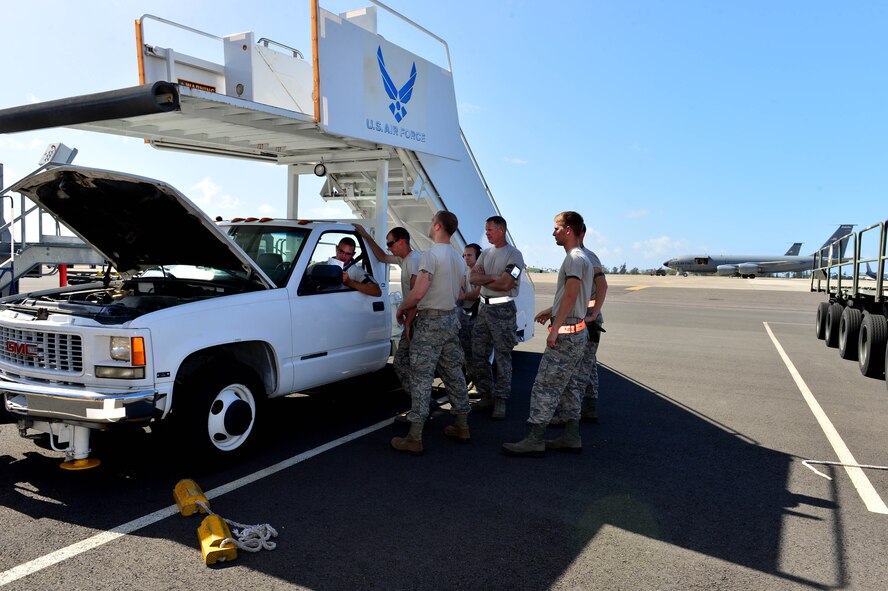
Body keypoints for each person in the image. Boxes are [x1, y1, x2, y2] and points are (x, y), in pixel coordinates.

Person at [502, 211, 594, 457]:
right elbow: (570, 297)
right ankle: (571, 436)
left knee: (545, 386)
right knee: (570, 386)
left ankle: (535, 439)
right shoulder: (582, 257)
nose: (552, 232)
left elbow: (572, 295)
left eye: (556, 228)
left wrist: (555, 328)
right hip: (578, 331)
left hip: (567, 333)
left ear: (568, 230)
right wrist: (551, 311)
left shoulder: (574, 259)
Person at [391, 211, 471, 455]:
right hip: (449, 320)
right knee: (453, 372)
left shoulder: (430, 255)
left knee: (421, 376)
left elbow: (417, 293)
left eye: (431, 222)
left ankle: (414, 436)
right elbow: (461, 293)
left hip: (430, 323)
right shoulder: (458, 258)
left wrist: (403, 308)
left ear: (437, 226)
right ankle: (462, 425)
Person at [550, 224, 608, 425]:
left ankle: (570, 416)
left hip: (586, 317)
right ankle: (589, 407)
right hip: (586, 314)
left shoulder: (584, 257)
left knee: (578, 370)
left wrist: (594, 312)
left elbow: (602, 285)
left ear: (579, 233)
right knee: (588, 364)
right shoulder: (582, 256)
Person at [354, 224, 421, 395]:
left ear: (402, 242)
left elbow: (416, 297)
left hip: (418, 319)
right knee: (402, 363)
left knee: (419, 365)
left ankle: (423, 403)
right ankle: (420, 400)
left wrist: (408, 324)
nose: (389, 248)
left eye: (390, 244)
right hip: (412, 319)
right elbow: (382, 257)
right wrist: (366, 236)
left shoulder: (414, 261)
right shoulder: (403, 259)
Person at [470, 216, 524, 419]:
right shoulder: (484, 254)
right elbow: (472, 277)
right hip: (483, 309)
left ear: (501, 230)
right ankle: (487, 395)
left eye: (490, 230)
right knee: (478, 354)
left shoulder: (515, 255)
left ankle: (501, 400)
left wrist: (489, 280)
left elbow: (506, 284)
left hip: (503, 311)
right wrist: (495, 277)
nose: (487, 233)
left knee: (502, 357)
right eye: (486, 230)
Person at [459, 243, 482, 390]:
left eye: (469, 255)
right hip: (465, 317)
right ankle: (474, 380)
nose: (466, 258)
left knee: (476, 354)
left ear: (477, 256)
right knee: (467, 353)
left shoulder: (480, 272)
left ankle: (481, 386)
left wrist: (462, 296)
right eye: (464, 255)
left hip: (476, 318)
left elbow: (477, 294)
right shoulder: (465, 271)